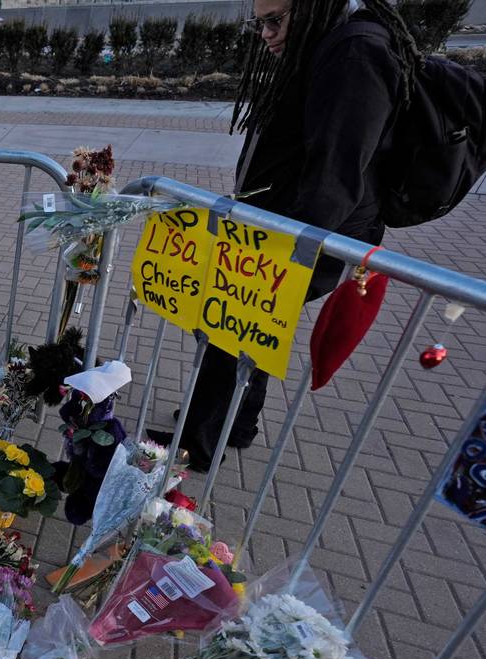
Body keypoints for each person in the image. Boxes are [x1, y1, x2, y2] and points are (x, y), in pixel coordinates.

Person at [148, 0, 423, 470]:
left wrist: (286, 244)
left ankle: (200, 440)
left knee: (233, 322)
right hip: (284, 225)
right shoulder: (331, 45)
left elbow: (336, 170)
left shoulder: (355, 52)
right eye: (259, 23)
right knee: (247, 327)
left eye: (276, 20)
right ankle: (234, 421)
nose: (266, 34)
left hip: (304, 232)